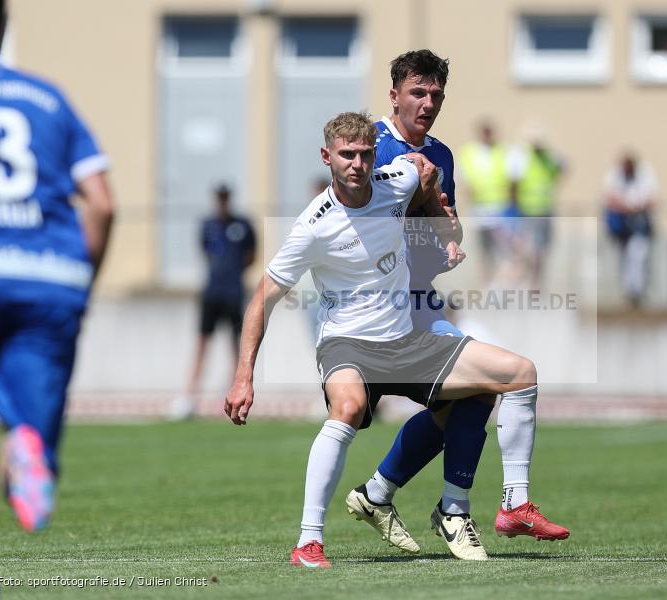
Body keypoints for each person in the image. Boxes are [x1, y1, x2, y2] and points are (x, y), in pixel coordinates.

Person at [223, 111, 567, 569]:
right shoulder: (313, 225)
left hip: (405, 340)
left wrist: (440, 226)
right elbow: (260, 300)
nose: (358, 164)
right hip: (346, 345)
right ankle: (308, 542)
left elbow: (423, 172)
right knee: (346, 408)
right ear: (327, 157)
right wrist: (243, 377)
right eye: (347, 155)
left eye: (365, 154)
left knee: (517, 374)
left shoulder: (396, 176)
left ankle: (511, 504)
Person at [348, 50, 567, 562]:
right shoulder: (370, 148)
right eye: (417, 93)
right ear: (394, 95)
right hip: (376, 314)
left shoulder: (442, 155)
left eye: (436, 96)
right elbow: (358, 230)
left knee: (477, 394)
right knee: (505, 379)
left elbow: (440, 225)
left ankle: (400, 499)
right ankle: (464, 506)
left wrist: (447, 239)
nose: (427, 104)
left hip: (420, 303)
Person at [0, 0, 115, 593]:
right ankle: (25, 443)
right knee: (28, 425)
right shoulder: (48, 98)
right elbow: (103, 202)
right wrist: (80, 283)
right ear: (3, 27)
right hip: (48, 280)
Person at [171, 184, 255, 419]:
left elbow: (250, 255)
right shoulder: (207, 225)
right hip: (212, 293)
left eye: (225, 198)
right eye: (219, 199)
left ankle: (232, 393)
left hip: (233, 292)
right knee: (202, 342)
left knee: (235, 345)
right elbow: (205, 252)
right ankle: (190, 395)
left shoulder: (243, 225)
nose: (222, 203)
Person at [507, 123, 564, 286]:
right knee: (527, 250)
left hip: (544, 209)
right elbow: (513, 184)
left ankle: (536, 284)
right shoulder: (521, 157)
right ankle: (525, 281)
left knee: (541, 251)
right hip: (526, 211)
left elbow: (562, 168)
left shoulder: (549, 157)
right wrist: (514, 208)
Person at [457, 120, 511, 280]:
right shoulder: (469, 152)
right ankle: (486, 277)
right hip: (478, 207)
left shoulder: (501, 151)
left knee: (501, 247)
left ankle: (500, 279)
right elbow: (463, 176)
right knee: (483, 247)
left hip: (498, 206)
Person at [603, 151, 657, 306]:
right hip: (621, 224)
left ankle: (637, 291)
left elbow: (654, 198)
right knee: (623, 256)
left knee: (638, 254)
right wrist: (625, 207)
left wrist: (638, 207)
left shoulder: (645, 174)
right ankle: (628, 290)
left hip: (639, 222)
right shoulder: (614, 175)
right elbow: (609, 197)